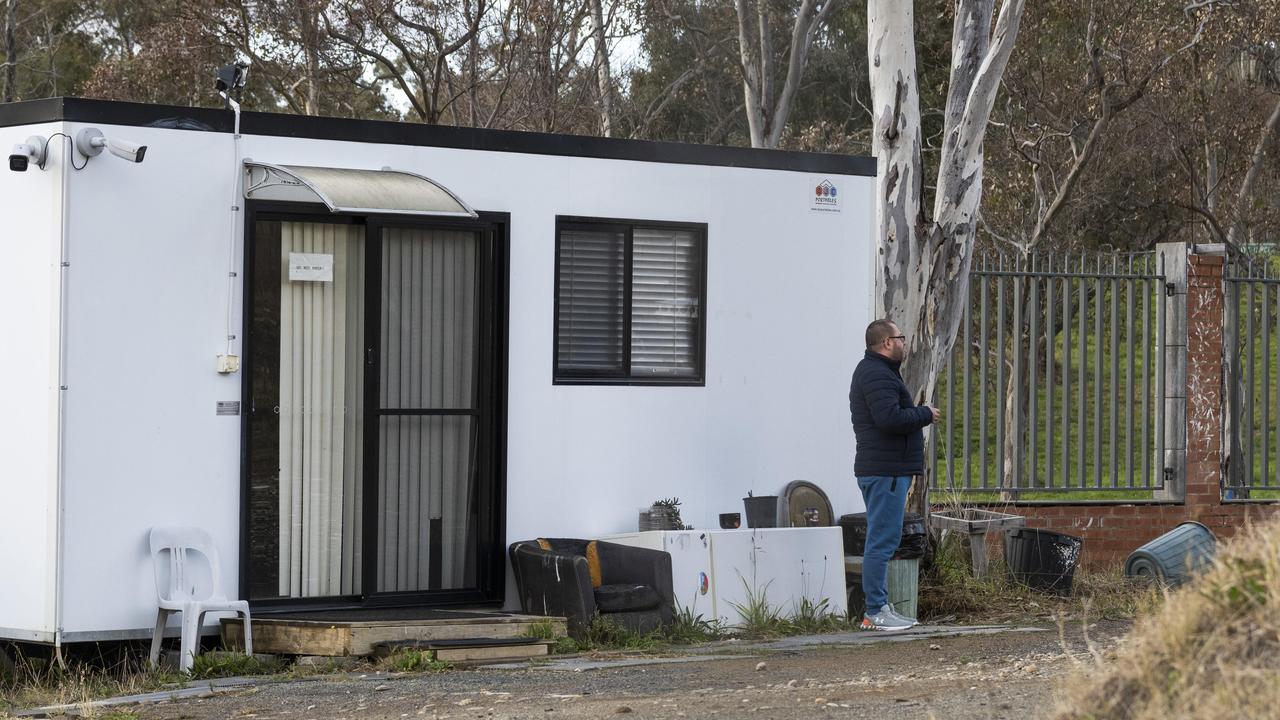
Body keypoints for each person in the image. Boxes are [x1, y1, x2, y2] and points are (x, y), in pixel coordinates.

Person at [849, 319, 940, 631]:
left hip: (887, 470)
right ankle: (875, 612)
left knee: (883, 539)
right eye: (901, 337)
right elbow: (889, 419)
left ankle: (879, 608)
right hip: (884, 471)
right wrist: (924, 414)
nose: (905, 342)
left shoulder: (878, 373)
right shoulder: (876, 374)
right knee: (882, 541)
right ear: (887, 342)